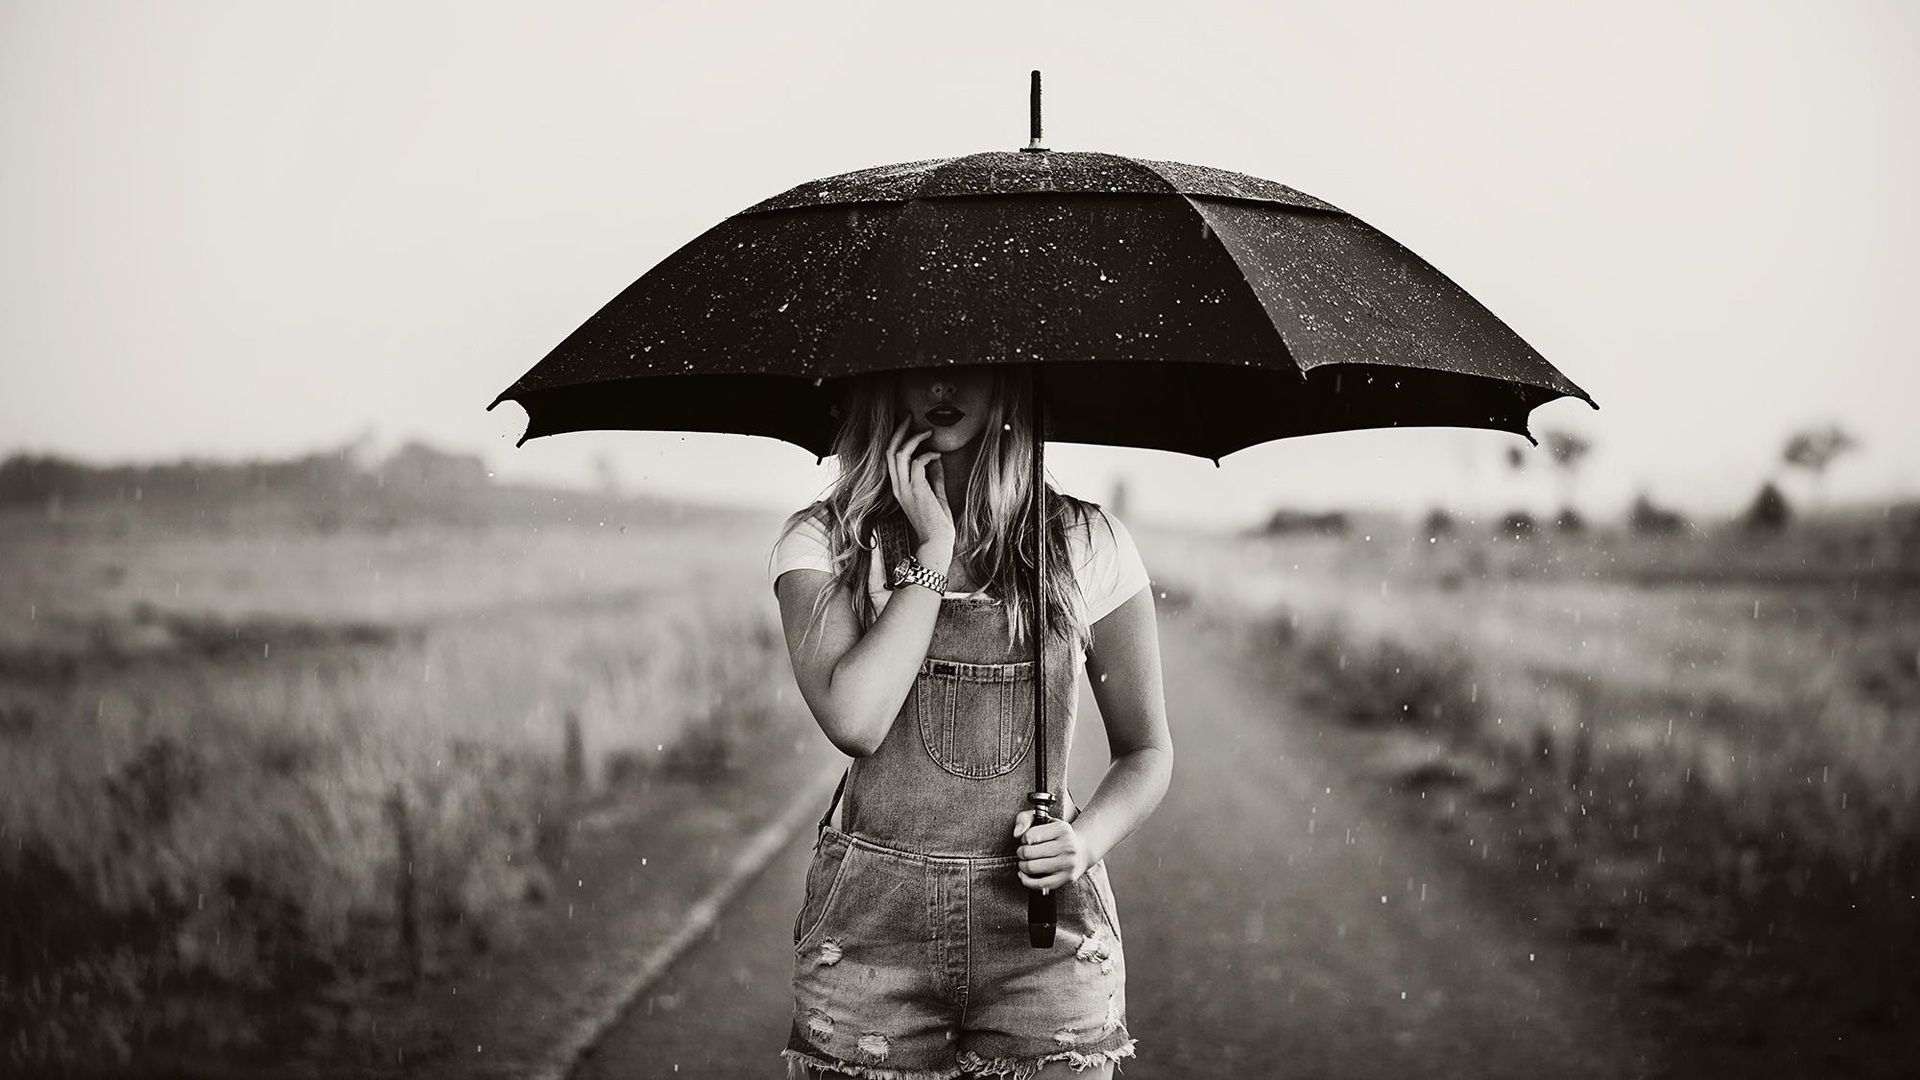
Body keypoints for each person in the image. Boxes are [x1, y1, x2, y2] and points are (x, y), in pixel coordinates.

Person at [766, 363, 1171, 1079]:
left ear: (1013, 380)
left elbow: (1146, 750)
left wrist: (1083, 841)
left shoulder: (1084, 542)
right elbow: (856, 720)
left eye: (968, 363)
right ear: (883, 380)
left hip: (1042, 942)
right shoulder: (826, 543)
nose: (942, 386)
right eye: (920, 364)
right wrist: (932, 552)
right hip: (871, 939)